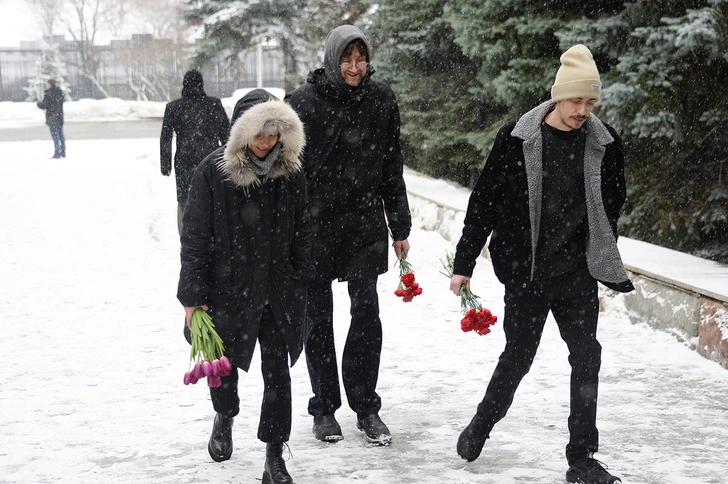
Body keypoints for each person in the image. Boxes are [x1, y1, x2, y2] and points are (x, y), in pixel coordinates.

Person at [449, 44, 634, 484]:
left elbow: (614, 200)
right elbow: (484, 203)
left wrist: (599, 245)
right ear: (557, 96)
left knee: (587, 356)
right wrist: (464, 262)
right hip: (527, 274)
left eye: (590, 102)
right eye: (576, 100)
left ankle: (582, 459)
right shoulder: (518, 137)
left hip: (576, 274)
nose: (582, 111)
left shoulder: (604, 143)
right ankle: (482, 424)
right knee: (518, 356)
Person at [286, 25, 412, 446]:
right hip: (316, 226)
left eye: (360, 59)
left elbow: (392, 164)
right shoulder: (302, 103)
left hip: (363, 223)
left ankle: (366, 406)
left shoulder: (381, 100)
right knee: (318, 319)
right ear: (331, 58)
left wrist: (400, 226)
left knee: (366, 315)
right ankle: (324, 408)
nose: (355, 68)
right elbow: (288, 173)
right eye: (347, 59)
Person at [177, 90, 310, 484]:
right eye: (258, 132)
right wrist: (192, 298)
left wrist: (299, 271)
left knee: (277, 372)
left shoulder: (292, 172)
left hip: (277, 289)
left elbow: (304, 226)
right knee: (226, 365)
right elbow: (196, 236)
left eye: (273, 132)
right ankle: (225, 413)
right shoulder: (212, 171)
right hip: (228, 289)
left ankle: (274, 454)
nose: (266, 141)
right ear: (241, 132)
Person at [160, 69, 230, 235]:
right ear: (201, 84)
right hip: (211, 158)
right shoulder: (214, 104)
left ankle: (187, 237)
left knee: (185, 201)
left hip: (185, 160)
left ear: (184, 84)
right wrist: (229, 160)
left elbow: (166, 137)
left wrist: (166, 163)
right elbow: (226, 134)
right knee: (212, 198)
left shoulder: (173, 107)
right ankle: (212, 235)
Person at [36, 78, 65, 159]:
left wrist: (39, 104)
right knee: (60, 134)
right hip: (59, 116)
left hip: (51, 116)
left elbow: (45, 104)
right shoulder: (60, 92)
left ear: (49, 84)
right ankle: (62, 151)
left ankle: (57, 153)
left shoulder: (49, 93)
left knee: (55, 135)